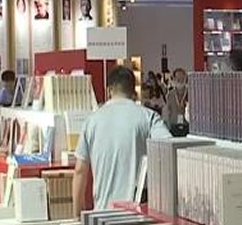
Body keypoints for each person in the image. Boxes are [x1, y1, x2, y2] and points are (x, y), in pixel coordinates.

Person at [73, 66, 171, 212]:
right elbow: (169, 149)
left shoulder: (91, 121)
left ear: (109, 90)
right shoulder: (149, 117)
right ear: (133, 91)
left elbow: (80, 170)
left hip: (103, 213)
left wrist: (77, 215)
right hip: (138, 215)